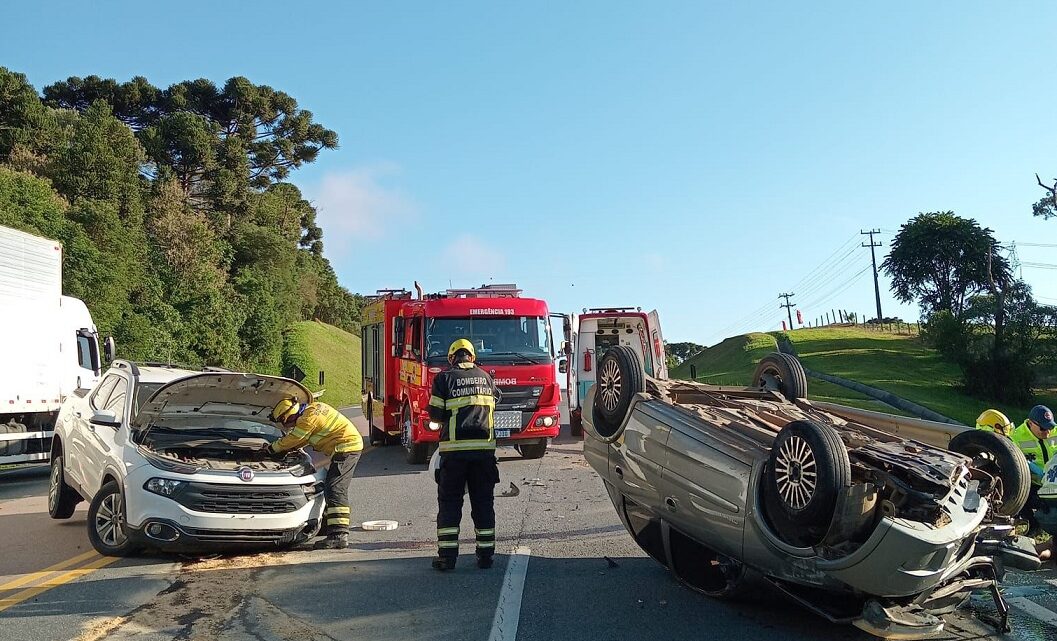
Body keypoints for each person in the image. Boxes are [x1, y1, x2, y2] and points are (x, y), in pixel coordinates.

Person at [428, 338, 502, 571]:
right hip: (484, 454)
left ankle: (447, 558)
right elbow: (496, 401)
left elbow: (435, 415)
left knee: (450, 504)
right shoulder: (487, 378)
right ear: (472, 357)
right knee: (483, 502)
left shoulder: (444, 378)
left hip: (455, 454)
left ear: (452, 358)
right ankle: (486, 555)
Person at [265, 398, 364, 549]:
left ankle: (339, 535)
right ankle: (331, 528)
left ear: (289, 416)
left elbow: (296, 437)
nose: (289, 426)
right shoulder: (314, 408)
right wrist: (288, 448)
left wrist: (272, 449)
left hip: (346, 448)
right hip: (345, 447)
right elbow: (304, 438)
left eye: (286, 422)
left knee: (335, 488)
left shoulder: (307, 419)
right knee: (332, 487)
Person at [1010, 405, 1057, 533]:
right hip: (1032, 483)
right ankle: (1032, 524)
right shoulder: (1016, 438)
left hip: (1054, 481)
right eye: (1043, 428)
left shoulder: (1055, 432)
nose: (1047, 432)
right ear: (1031, 423)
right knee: (1020, 496)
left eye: (1050, 427)